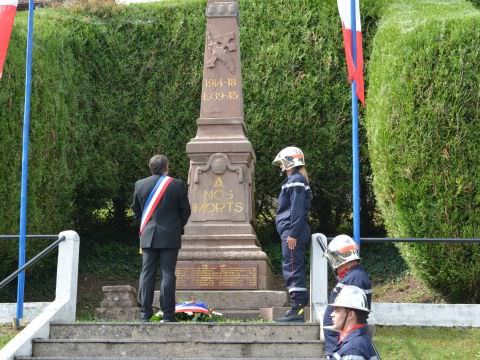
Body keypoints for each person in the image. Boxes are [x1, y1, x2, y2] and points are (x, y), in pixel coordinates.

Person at [132, 154, 191, 322]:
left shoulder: (140, 185)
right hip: (170, 236)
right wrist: (176, 226)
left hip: (148, 234)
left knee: (147, 273)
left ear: (151, 168)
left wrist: (146, 225)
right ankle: (168, 315)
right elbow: (185, 211)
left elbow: (136, 211)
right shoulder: (176, 185)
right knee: (167, 274)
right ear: (166, 167)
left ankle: (145, 314)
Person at [272, 146, 312, 322]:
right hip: (290, 230)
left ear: (289, 162)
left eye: (282, 162)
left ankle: (298, 309)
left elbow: (297, 208)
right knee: (292, 266)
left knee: (293, 267)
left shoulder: (296, 180)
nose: (281, 166)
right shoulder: (296, 180)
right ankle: (296, 307)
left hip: (292, 231)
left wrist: (293, 233)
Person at [322, 234, 373, 358]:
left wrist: (337, 348)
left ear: (341, 256)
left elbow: (354, 314)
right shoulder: (352, 276)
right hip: (341, 343)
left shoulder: (355, 278)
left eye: (334, 257)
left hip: (343, 344)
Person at [328, 285, 380, 360]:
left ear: (350, 315)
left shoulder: (352, 349)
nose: (332, 314)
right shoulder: (358, 342)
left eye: (337, 310)